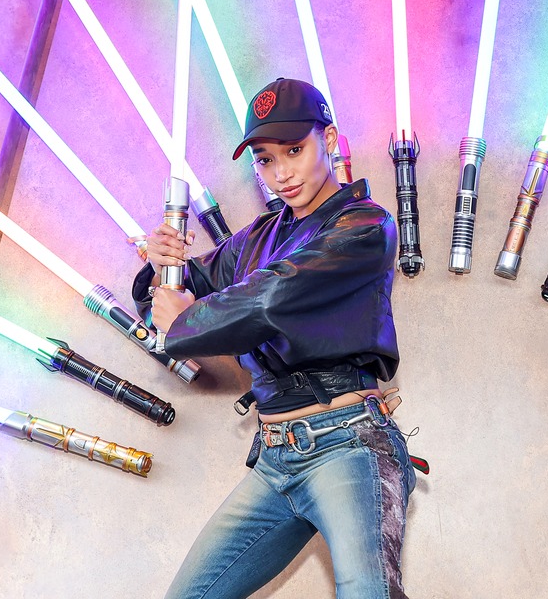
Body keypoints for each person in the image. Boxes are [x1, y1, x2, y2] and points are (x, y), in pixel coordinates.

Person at [133, 77, 415, 599]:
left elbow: (271, 299)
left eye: (294, 150)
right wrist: (161, 268)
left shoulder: (363, 226)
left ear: (328, 140)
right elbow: (185, 291)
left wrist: (185, 321)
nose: (280, 173)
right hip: (276, 456)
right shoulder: (259, 237)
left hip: (347, 445)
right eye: (265, 159)